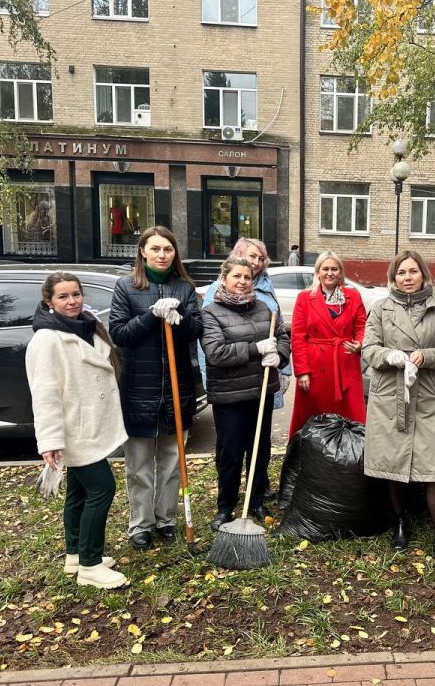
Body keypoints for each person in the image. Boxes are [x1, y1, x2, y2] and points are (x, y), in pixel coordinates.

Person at [363, 250, 435, 566]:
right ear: (393, 278)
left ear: (423, 274)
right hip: (390, 396)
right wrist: (391, 357)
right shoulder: (380, 309)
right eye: (401, 272)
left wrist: (425, 356)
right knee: (394, 463)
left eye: (413, 271)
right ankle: (400, 521)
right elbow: (369, 349)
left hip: (428, 397)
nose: (407, 277)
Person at [26, 272, 128, 589]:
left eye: (76, 294)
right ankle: (90, 565)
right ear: (49, 301)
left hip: (91, 425)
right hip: (75, 430)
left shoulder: (86, 325)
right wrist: (50, 441)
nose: (72, 302)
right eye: (63, 296)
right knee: (102, 489)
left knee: (79, 491)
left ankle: (75, 554)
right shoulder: (47, 339)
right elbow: (44, 395)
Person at [109, 226, 203, 552]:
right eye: (156, 249)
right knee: (139, 466)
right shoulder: (126, 287)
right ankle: (141, 524)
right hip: (139, 390)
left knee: (172, 462)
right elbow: (119, 334)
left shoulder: (184, 288)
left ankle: (166, 520)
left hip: (177, 390)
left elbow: (196, 331)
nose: (162, 255)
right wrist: (152, 316)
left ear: (175, 253)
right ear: (143, 252)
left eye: (168, 249)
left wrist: (180, 315)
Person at [202, 256, 291, 531]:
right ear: (224, 279)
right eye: (236, 276)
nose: (242, 282)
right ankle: (225, 506)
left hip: (261, 391)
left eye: (247, 277)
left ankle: (256, 501)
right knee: (230, 453)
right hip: (230, 395)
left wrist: (279, 356)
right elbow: (215, 353)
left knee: (259, 450)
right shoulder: (211, 312)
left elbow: (282, 337)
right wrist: (256, 349)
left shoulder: (264, 308)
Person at [288, 251, 367, 437]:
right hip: (315, 369)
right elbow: (298, 337)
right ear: (318, 272)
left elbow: (361, 326)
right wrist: (302, 371)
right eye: (325, 269)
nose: (330, 273)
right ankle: (311, 453)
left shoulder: (353, 296)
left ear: (340, 272)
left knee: (351, 416)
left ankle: (351, 453)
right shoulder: (305, 298)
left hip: (346, 365)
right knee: (313, 418)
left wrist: (359, 344)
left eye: (334, 269)